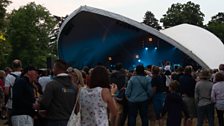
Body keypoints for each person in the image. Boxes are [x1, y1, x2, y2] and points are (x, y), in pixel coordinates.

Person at [39, 60, 78, 126]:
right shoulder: (74, 87)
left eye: (53, 68)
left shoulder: (52, 85)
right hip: (70, 121)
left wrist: (40, 102)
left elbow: (44, 104)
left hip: (54, 121)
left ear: (56, 68)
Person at [4, 59, 22, 125]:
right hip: (24, 103)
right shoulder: (25, 75)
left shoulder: (8, 77)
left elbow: (6, 92)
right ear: (20, 66)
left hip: (12, 104)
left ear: (12, 66)